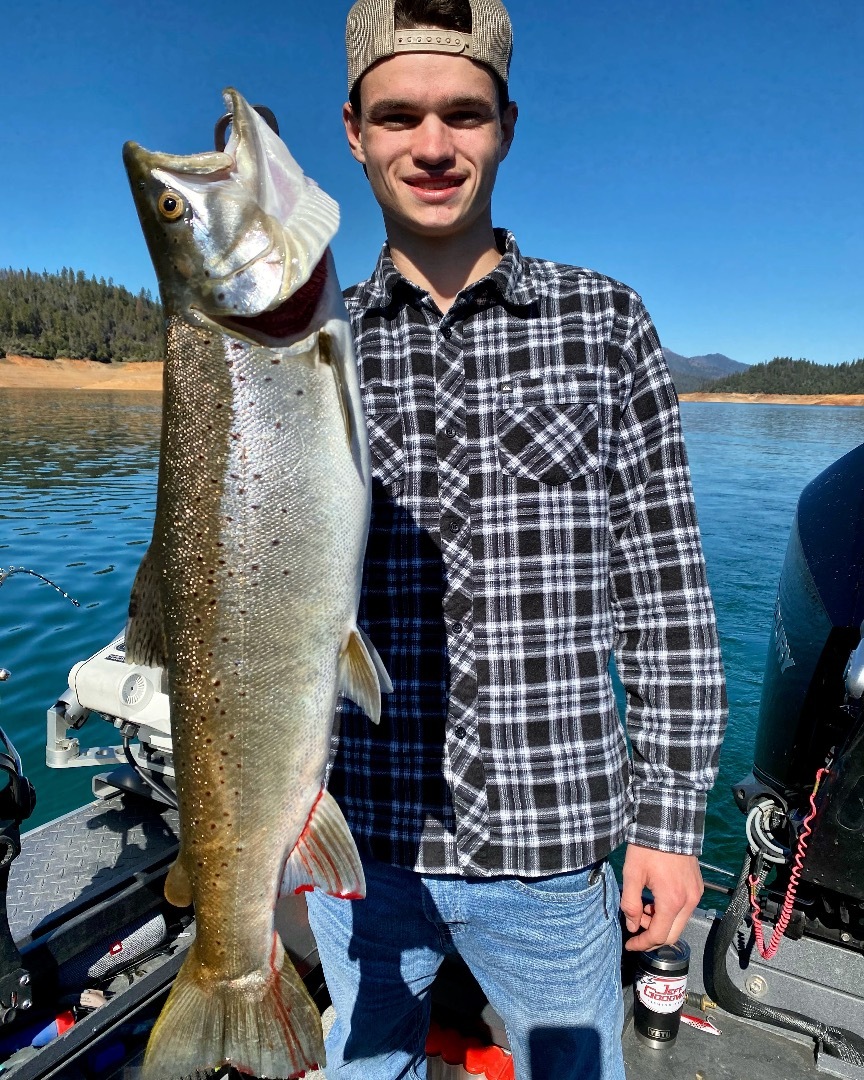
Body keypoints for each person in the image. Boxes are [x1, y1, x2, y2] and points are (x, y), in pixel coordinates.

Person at [305, 1, 727, 1076]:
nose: (433, 146)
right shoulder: (311, 355)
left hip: (549, 852)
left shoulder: (607, 323)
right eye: (399, 116)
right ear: (354, 131)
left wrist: (673, 822)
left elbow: (666, 599)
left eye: (464, 113)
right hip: (360, 845)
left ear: (506, 124)